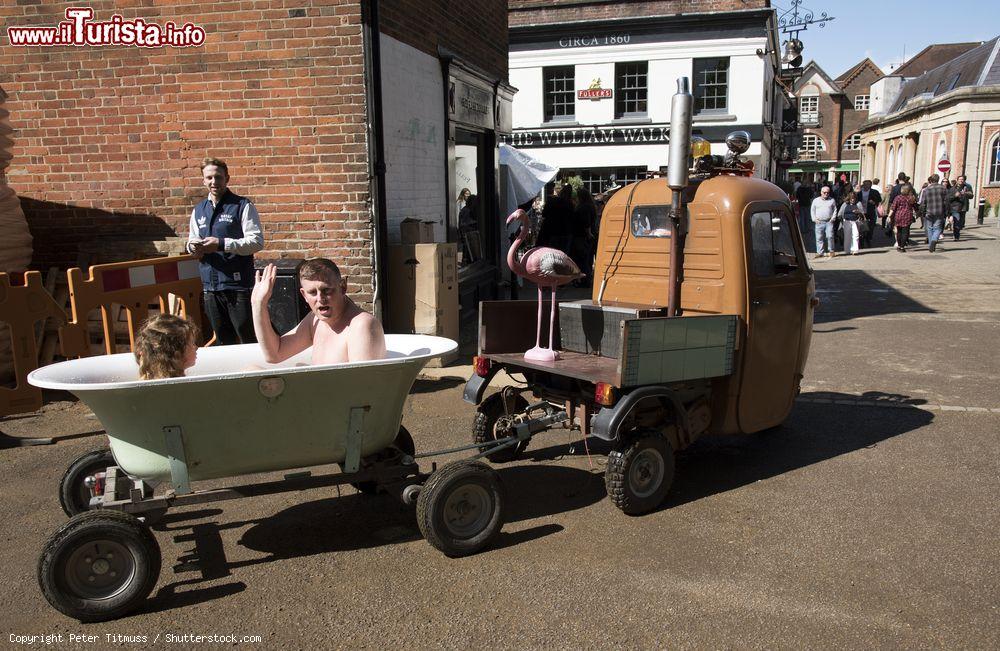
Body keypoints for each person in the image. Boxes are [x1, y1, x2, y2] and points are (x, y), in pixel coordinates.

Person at [187, 158, 264, 345]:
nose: (214, 182)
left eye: (218, 177)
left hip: (238, 287)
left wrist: (221, 244)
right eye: (209, 177)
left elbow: (256, 242)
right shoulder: (198, 210)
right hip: (210, 288)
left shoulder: (242, 206)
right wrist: (193, 248)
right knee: (223, 341)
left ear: (227, 178)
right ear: (203, 180)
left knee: (249, 338)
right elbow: (191, 240)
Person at [251, 257, 385, 365]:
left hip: (335, 398)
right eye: (313, 292)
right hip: (319, 395)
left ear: (343, 287)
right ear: (304, 295)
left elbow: (364, 389)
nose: (320, 299)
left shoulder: (361, 325)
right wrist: (258, 304)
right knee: (251, 369)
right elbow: (275, 354)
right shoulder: (314, 320)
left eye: (326, 290)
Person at [134, 314, 199, 380]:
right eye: (192, 343)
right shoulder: (178, 387)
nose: (196, 347)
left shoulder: (151, 381)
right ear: (176, 354)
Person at [919, 174, 948, 252]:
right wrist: (947, 211)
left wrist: (923, 211)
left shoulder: (926, 189)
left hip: (929, 211)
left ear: (931, 180)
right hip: (939, 211)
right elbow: (946, 201)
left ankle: (931, 244)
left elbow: (923, 202)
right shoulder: (943, 188)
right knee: (937, 228)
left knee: (929, 228)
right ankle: (934, 240)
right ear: (938, 180)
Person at [811, 185, 837, 258]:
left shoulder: (832, 200)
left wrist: (833, 219)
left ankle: (831, 251)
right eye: (824, 192)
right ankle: (820, 252)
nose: (826, 194)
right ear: (821, 192)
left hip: (829, 221)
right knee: (819, 238)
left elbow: (835, 209)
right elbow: (812, 210)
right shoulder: (816, 200)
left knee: (830, 236)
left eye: (828, 193)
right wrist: (814, 219)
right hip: (819, 222)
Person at [888, 184, 917, 253]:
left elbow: (893, 207)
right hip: (908, 215)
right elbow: (915, 206)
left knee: (899, 231)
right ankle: (902, 246)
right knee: (905, 232)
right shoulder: (911, 198)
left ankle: (899, 245)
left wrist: (889, 216)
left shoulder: (898, 198)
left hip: (898, 215)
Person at [838, 191, 865, 255]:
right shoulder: (845, 204)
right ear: (849, 198)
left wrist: (858, 212)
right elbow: (840, 213)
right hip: (846, 221)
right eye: (851, 198)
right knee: (847, 236)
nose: (853, 200)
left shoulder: (858, 203)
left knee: (856, 235)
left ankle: (855, 250)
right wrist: (841, 220)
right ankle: (847, 250)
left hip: (855, 221)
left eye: (854, 198)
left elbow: (862, 213)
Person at [948, 175, 974, 241]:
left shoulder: (967, 187)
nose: (961, 180)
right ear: (957, 180)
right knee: (957, 221)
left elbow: (971, 196)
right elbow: (949, 198)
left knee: (961, 223)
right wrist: (955, 196)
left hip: (963, 207)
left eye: (962, 179)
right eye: (960, 179)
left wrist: (965, 193)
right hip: (955, 208)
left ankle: (956, 233)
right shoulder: (953, 188)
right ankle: (956, 236)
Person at [857, 180, 881, 249]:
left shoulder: (874, 192)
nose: (866, 186)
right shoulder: (859, 193)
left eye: (867, 184)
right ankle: (861, 241)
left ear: (870, 185)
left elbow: (879, 199)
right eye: (865, 184)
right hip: (862, 212)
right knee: (862, 227)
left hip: (871, 211)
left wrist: (874, 202)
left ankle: (868, 239)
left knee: (870, 227)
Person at [795, 180, 815, 250]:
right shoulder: (809, 189)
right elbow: (811, 196)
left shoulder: (799, 189)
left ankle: (803, 229)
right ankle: (807, 228)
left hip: (801, 204)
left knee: (802, 217)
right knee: (807, 217)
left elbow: (797, 196)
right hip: (807, 204)